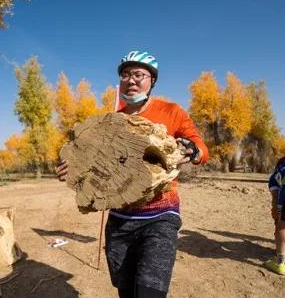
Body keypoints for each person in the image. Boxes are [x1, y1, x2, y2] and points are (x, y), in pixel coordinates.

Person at [56, 50, 209, 298]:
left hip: (161, 217)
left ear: (152, 81)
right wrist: (74, 170)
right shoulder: (110, 121)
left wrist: (192, 150)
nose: (132, 80)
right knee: (126, 292)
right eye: (126, 74)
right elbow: (95, 163)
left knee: (150, 292)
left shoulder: (172, 112)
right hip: (119, 220)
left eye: (139, 74)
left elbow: (202, 149)